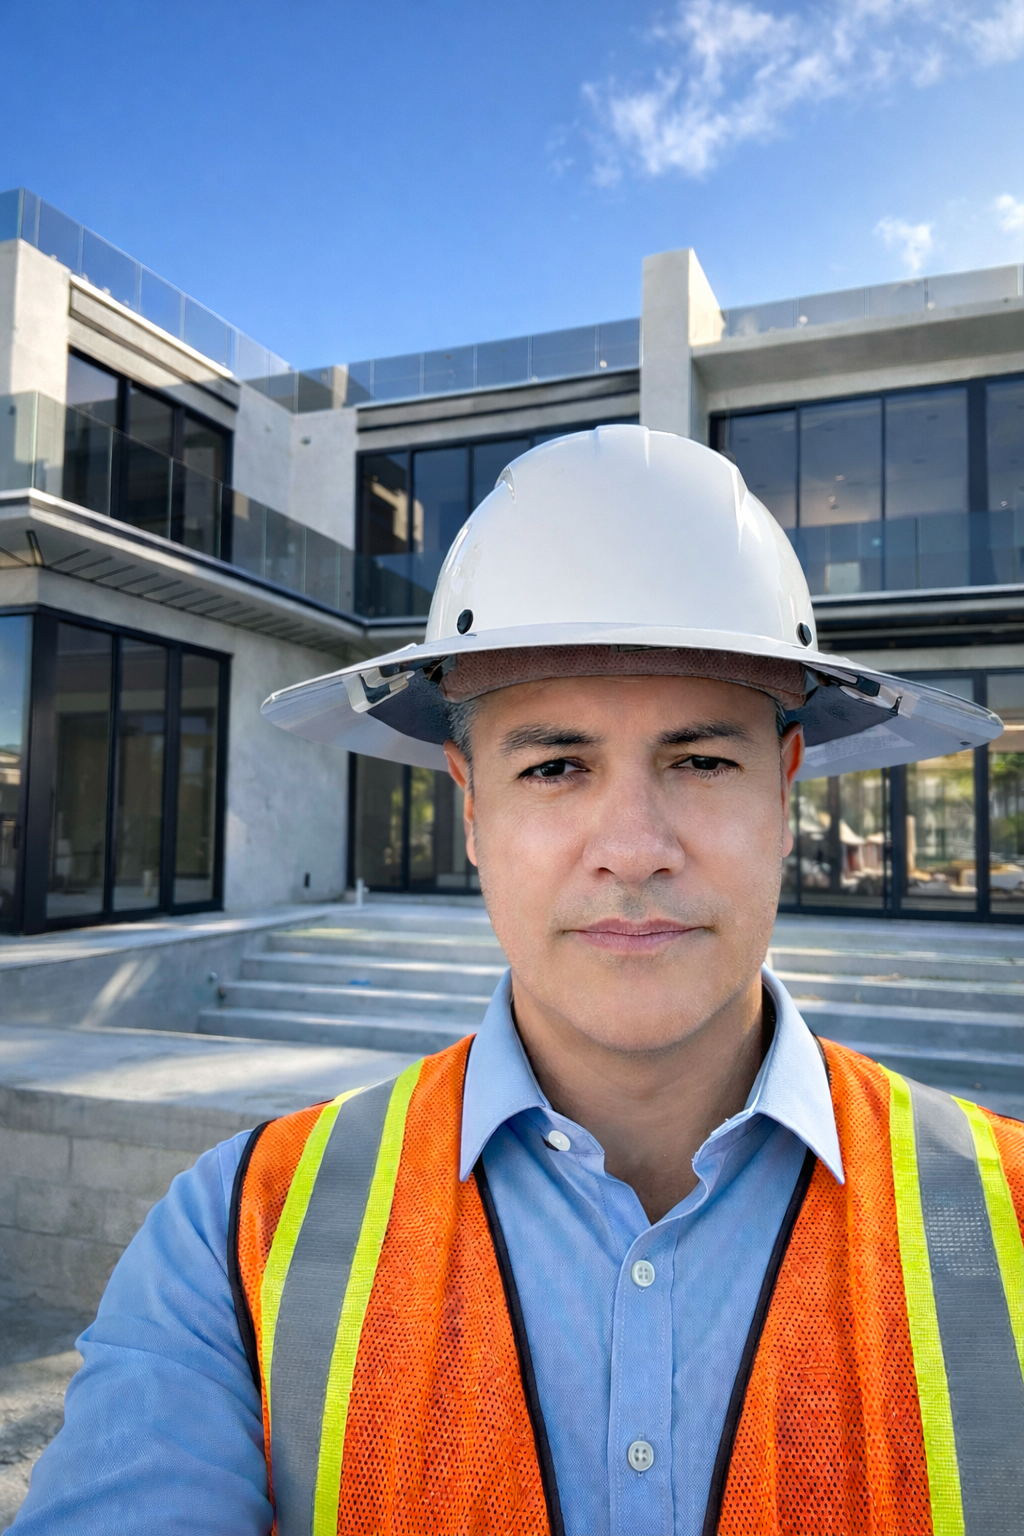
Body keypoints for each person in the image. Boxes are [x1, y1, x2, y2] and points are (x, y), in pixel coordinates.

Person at [12, 426, 1022, 1536]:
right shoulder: (239, 1236)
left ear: (783, 792)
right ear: (471, 808)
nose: (632, 848)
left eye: (700, 759)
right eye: (554, 766)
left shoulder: (1008, 1215)